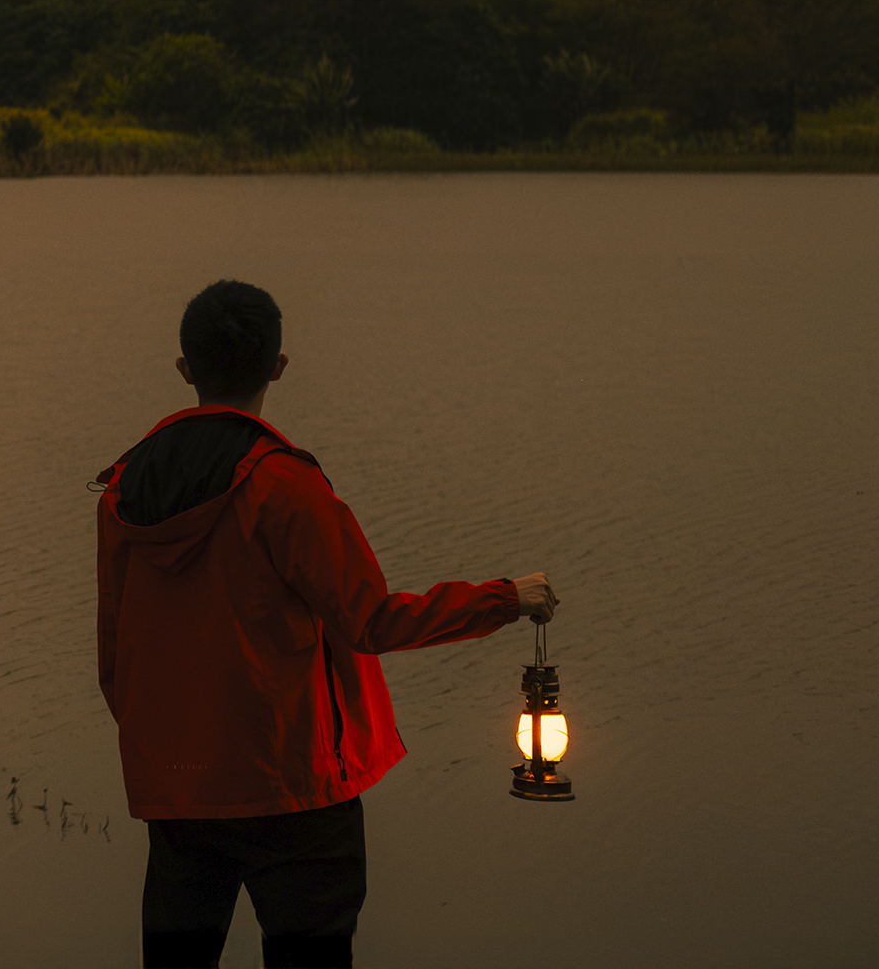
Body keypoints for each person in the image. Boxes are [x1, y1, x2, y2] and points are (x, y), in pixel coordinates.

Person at [94, 280, 559, 969]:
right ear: (278, 366)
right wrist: (505, 599)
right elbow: (371, 621)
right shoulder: (284, 486)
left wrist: (172, 752)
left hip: (180, 788)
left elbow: (114, 656)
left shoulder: (123, 490)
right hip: (297, 789)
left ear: (186, 369)